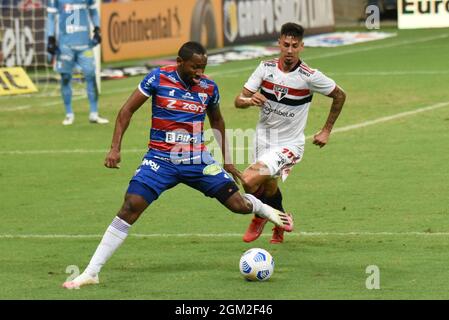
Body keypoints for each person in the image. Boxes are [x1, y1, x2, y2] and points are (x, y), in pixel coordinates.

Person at [62, 41, 293, 289]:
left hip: (197, 159)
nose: (200, 73)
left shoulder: (209, 88)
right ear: (180, 62)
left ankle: (264, 209)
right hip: (160, 159)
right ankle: (91, 272)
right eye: (195, 67)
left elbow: (217, 121)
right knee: (131, 205)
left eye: (203, 67)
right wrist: (115, 147)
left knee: (239, 205)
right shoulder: (158, 78)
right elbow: (126, 110)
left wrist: (227, 160)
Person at [234, 22, 346, 244]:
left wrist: (326, 130)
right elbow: (238, 101)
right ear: (279, 44)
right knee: (268, 185)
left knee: (248, 181)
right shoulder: (265, 69)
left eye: (295, 46)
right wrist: (249, 100)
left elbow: (340, 95)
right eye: (286, 44)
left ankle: (260, 216)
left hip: (289, 144)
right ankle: (280, 220)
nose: (290, 50)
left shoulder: (309, 76)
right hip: (263, 139)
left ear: (302, 46)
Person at [46, 0, 109, 125]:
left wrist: (97, 29)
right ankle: (69, 114)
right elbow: (51, 18)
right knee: (65, 77)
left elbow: (93, 11)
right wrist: (50, 37)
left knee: (91, 76)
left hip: (85, 45)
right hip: (65, 46)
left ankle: (94, 113)